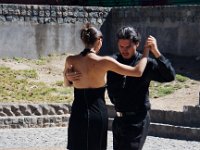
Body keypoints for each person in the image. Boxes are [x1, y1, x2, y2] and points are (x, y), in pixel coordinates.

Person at [63, 23, 149, 150]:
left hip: (78, 113)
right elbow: (138, 72)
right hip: (97, 113)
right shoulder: (104, 62)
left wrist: (67, 76)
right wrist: (146, 52)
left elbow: (66, 84)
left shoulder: (70, 60)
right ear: (99, 41)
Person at [106, 26, 175, 150]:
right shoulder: (114, 62)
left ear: (137, 44)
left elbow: (170, 76)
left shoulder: (146, 63)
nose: (124, 50)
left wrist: (156, 52)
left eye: (128, 47)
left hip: (137, 120)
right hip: (118, 120)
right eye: (121, 46)